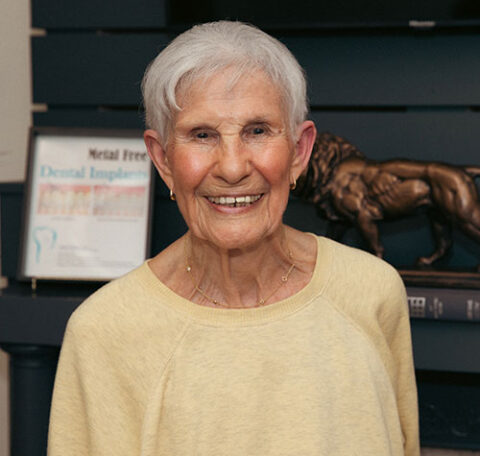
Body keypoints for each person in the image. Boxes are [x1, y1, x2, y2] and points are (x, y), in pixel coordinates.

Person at [47, 20, 419, 455]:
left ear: (299, 151)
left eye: (257, 131)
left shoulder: (373, 292)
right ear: (163, 160)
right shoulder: (103, 332)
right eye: (202, 135)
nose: (232, 167)